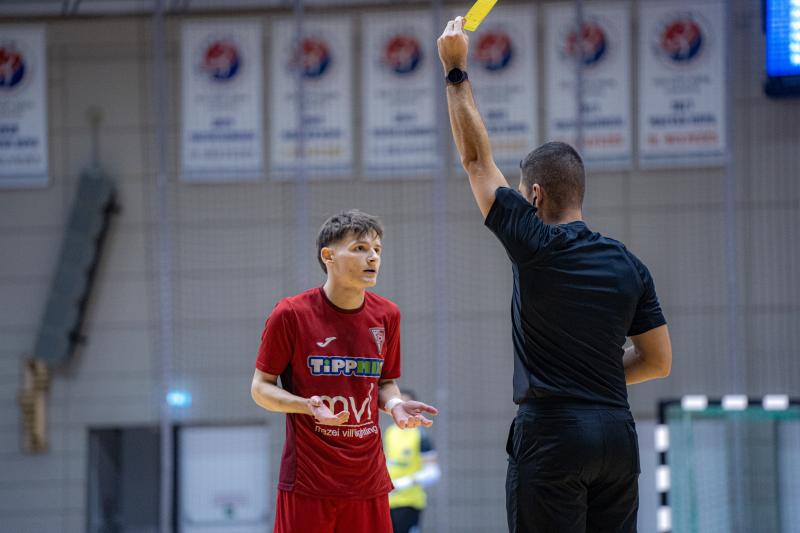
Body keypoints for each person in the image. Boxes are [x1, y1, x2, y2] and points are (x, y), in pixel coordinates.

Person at [437, 17, 673, 533]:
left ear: (535, 195)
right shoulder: (631, 265)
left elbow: (476, 161)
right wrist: (601, 375)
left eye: (524, 194)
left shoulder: (534, 242)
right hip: (616, 435)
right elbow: (658, 362)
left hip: (553, 436)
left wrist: (456, 70)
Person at [250, 210, 438, 533]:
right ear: (329, 256)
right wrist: (305, 405)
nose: (373, 257)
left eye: (377, 250)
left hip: (368, 481)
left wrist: (394, 404)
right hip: (308, 482)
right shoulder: (290, 314)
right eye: (360, 248)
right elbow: (260, 388)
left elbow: (385, 382)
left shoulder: (387, 315)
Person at [384, 390, 442, 533]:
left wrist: (406, 482)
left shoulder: (420, 436)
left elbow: (433, 472)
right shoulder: (390, 432)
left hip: (409, 502)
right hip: (387, 503)